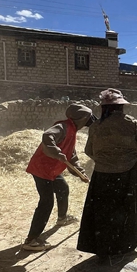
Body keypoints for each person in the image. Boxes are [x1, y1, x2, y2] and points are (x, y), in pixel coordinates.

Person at [78, 89, 137, 257]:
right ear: (121, 107)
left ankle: (104, 247)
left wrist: (104, 160)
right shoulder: (131, 122)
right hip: (128, 173)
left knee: (104, 210)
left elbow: (88, 150)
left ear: (103, 108)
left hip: (102, 174)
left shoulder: (96, 126)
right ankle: (126, 244)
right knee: (128, 208)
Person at [22, 104, 94, 251]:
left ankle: (62, 218)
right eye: (87, 119)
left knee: (63, 189)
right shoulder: (63, 127)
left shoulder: (72, 131)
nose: (89, 122)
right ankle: (31, 240)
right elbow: (47, 136)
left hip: (52, 171)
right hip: (42, 169)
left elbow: (71, 155)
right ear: (80, 119)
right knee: (46, 202)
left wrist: (80, 171)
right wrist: (56, 151)